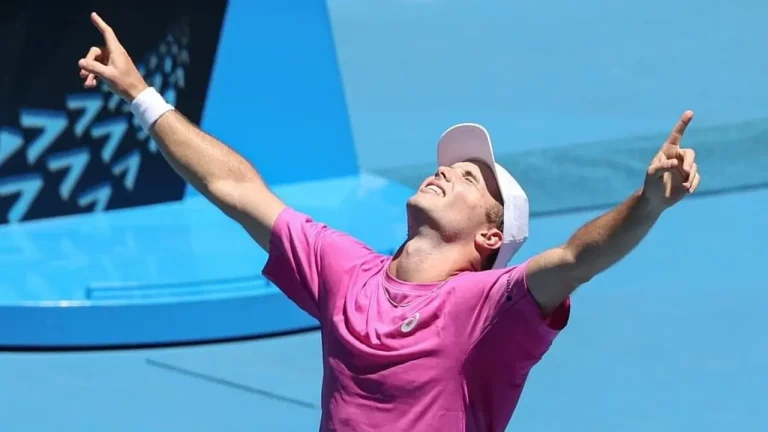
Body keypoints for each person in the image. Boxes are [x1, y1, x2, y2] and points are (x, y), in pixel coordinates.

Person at [77, 12, 701, 432]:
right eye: (449, 166)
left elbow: (575, 259)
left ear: (490, 237)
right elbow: (236, 188)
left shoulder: (487, 309)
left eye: (469, 179)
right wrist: (141, 95)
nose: (447, 172)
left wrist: (646, 203)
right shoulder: (345, 270)